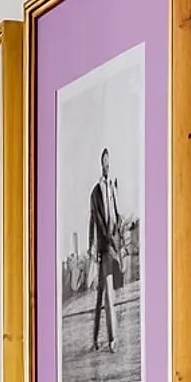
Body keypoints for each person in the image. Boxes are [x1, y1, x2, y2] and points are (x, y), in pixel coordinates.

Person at [88, 147, 122, 354]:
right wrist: (99, 243)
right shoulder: (96, 192)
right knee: (108, 294)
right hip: (105, 247)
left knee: (102, 295)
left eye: (109, 161)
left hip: (112, 244)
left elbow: (116, 214)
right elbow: (96, 221)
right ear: (101, 164)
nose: (107, 165)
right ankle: (113, 338)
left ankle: (94, 339)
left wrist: (118, 234)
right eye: (105, 162)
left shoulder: (113, 189)